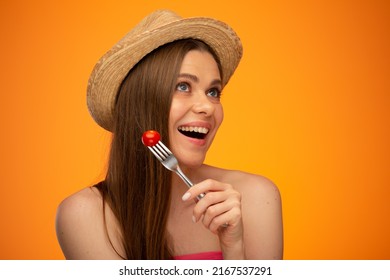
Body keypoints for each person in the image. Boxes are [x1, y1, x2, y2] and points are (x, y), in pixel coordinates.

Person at [55, 10, 283, 260]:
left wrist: (234, 249)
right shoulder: (85, 214)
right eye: (183, 86)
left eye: (213, 92)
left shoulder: (255, 198)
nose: (207, 107)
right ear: (140, 104)